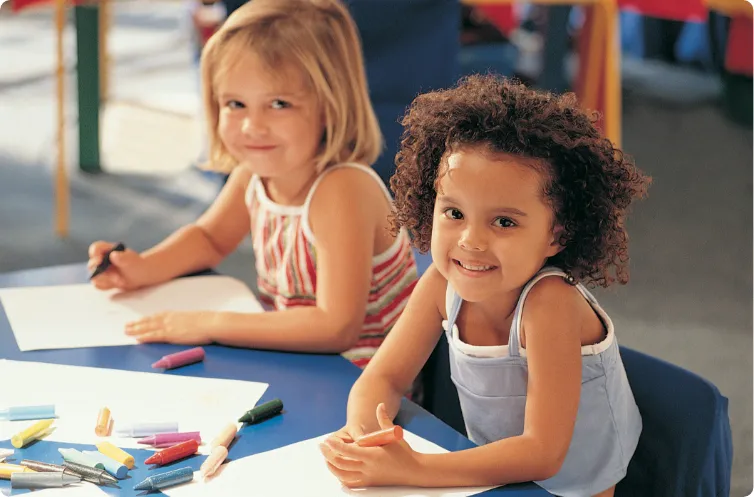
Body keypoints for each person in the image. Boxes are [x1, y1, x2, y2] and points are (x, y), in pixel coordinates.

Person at [319, 74, 651, 496]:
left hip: (572, 488)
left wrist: (413, 467)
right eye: (454, 213)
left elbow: (543, 453)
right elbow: (381, 380)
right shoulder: (440, 284)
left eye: (505, 222)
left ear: (557, 235)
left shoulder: (550, 304)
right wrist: (366, 436)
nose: (471, 241)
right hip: (494, 477)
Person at [88, 0, 418, 368]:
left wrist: (210, 323)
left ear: (330, 104)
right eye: (235, 104)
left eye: (278, 104)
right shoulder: (254, 173)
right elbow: (210, 239)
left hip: (361, 389)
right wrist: (141, 268)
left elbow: (336, 326)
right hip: (303, 365)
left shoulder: (341, 190)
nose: (252, 127)